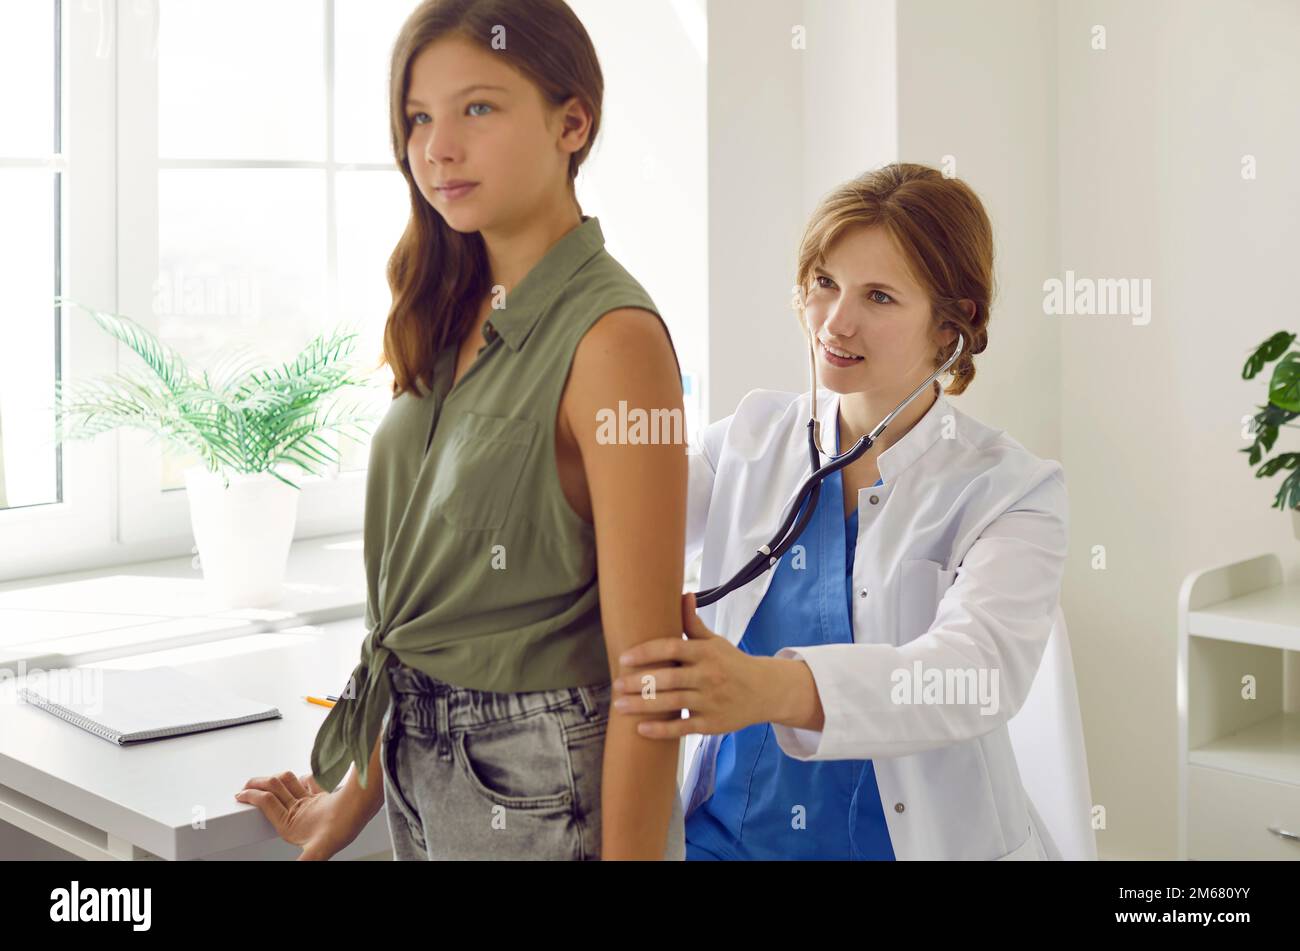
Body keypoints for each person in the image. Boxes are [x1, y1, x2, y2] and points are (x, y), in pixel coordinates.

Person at [234, 0, 687, 861]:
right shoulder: (445, 310)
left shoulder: (615, 341)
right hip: (423, 766)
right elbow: (421, 618)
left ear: (573, 121)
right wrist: (348, 803)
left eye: (478, 107)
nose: (438, 147)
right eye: (417, 118)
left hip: (543, 783)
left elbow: (651, 675)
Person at [613, 163, 1070, 860]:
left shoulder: (1009, 488)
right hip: (723, 840)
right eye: (825, 283)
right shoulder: (749, 437)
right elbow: (625, 529)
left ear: (953, 322)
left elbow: (976, 671)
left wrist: (770, 687)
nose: (836, 321)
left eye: (879, 296)